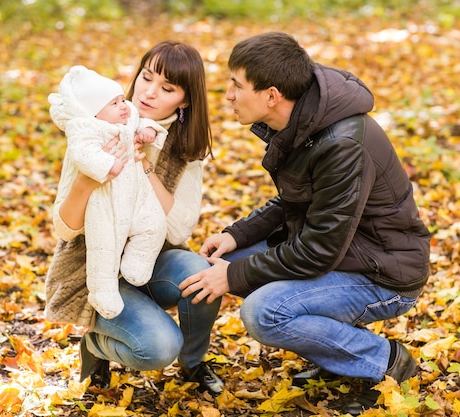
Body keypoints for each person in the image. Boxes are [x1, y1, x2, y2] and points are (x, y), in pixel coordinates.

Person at [179, 31, 431, 414]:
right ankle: (335, 357)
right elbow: (294, 200)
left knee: (263, 311)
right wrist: (237, 234)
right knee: (234, 259)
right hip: (344, 255)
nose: (228, 95)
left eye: (236, 85)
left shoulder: (341, 143)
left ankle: (385, 360)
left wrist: (233, 277)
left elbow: (318, 251)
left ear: (272, 95)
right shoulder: (306, 121)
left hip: (383, 275)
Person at [44, 41, 224, 396]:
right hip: (95, 269)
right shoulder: (96, 129)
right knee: (157, 348)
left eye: (167, 88)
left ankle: (193, 362)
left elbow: (178, 228)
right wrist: (83, 183)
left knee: (203, 276)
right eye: (146, 78)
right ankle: (96, 347)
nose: (149, 93)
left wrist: (144, 164)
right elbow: (64, 228)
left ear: (184, 101)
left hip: (152, 259)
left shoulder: (185, 149)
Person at [48, 65, 168, 319]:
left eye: (122, 99)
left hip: (136, 197)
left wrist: (148, 130)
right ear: (94, 113)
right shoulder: (87, 129)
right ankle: (103, 293)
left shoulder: (127, 116)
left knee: (154, 223)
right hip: (105, 202)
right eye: (115, 103)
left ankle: (138, 262)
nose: (125, 105)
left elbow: (140, 120)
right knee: (105, 246)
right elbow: (83, 153)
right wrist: (104, 167)